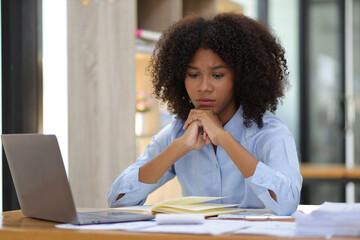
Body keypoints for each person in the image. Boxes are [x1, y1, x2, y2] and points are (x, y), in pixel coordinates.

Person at [107, 13, 302, 215]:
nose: (204, 87)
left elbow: (287, 203)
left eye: (217, 75)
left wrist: (224, 139)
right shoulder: (179, 131)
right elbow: (117, 199)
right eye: (193, 75)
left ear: (241, 77)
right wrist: (179, 147)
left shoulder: (269, 131)